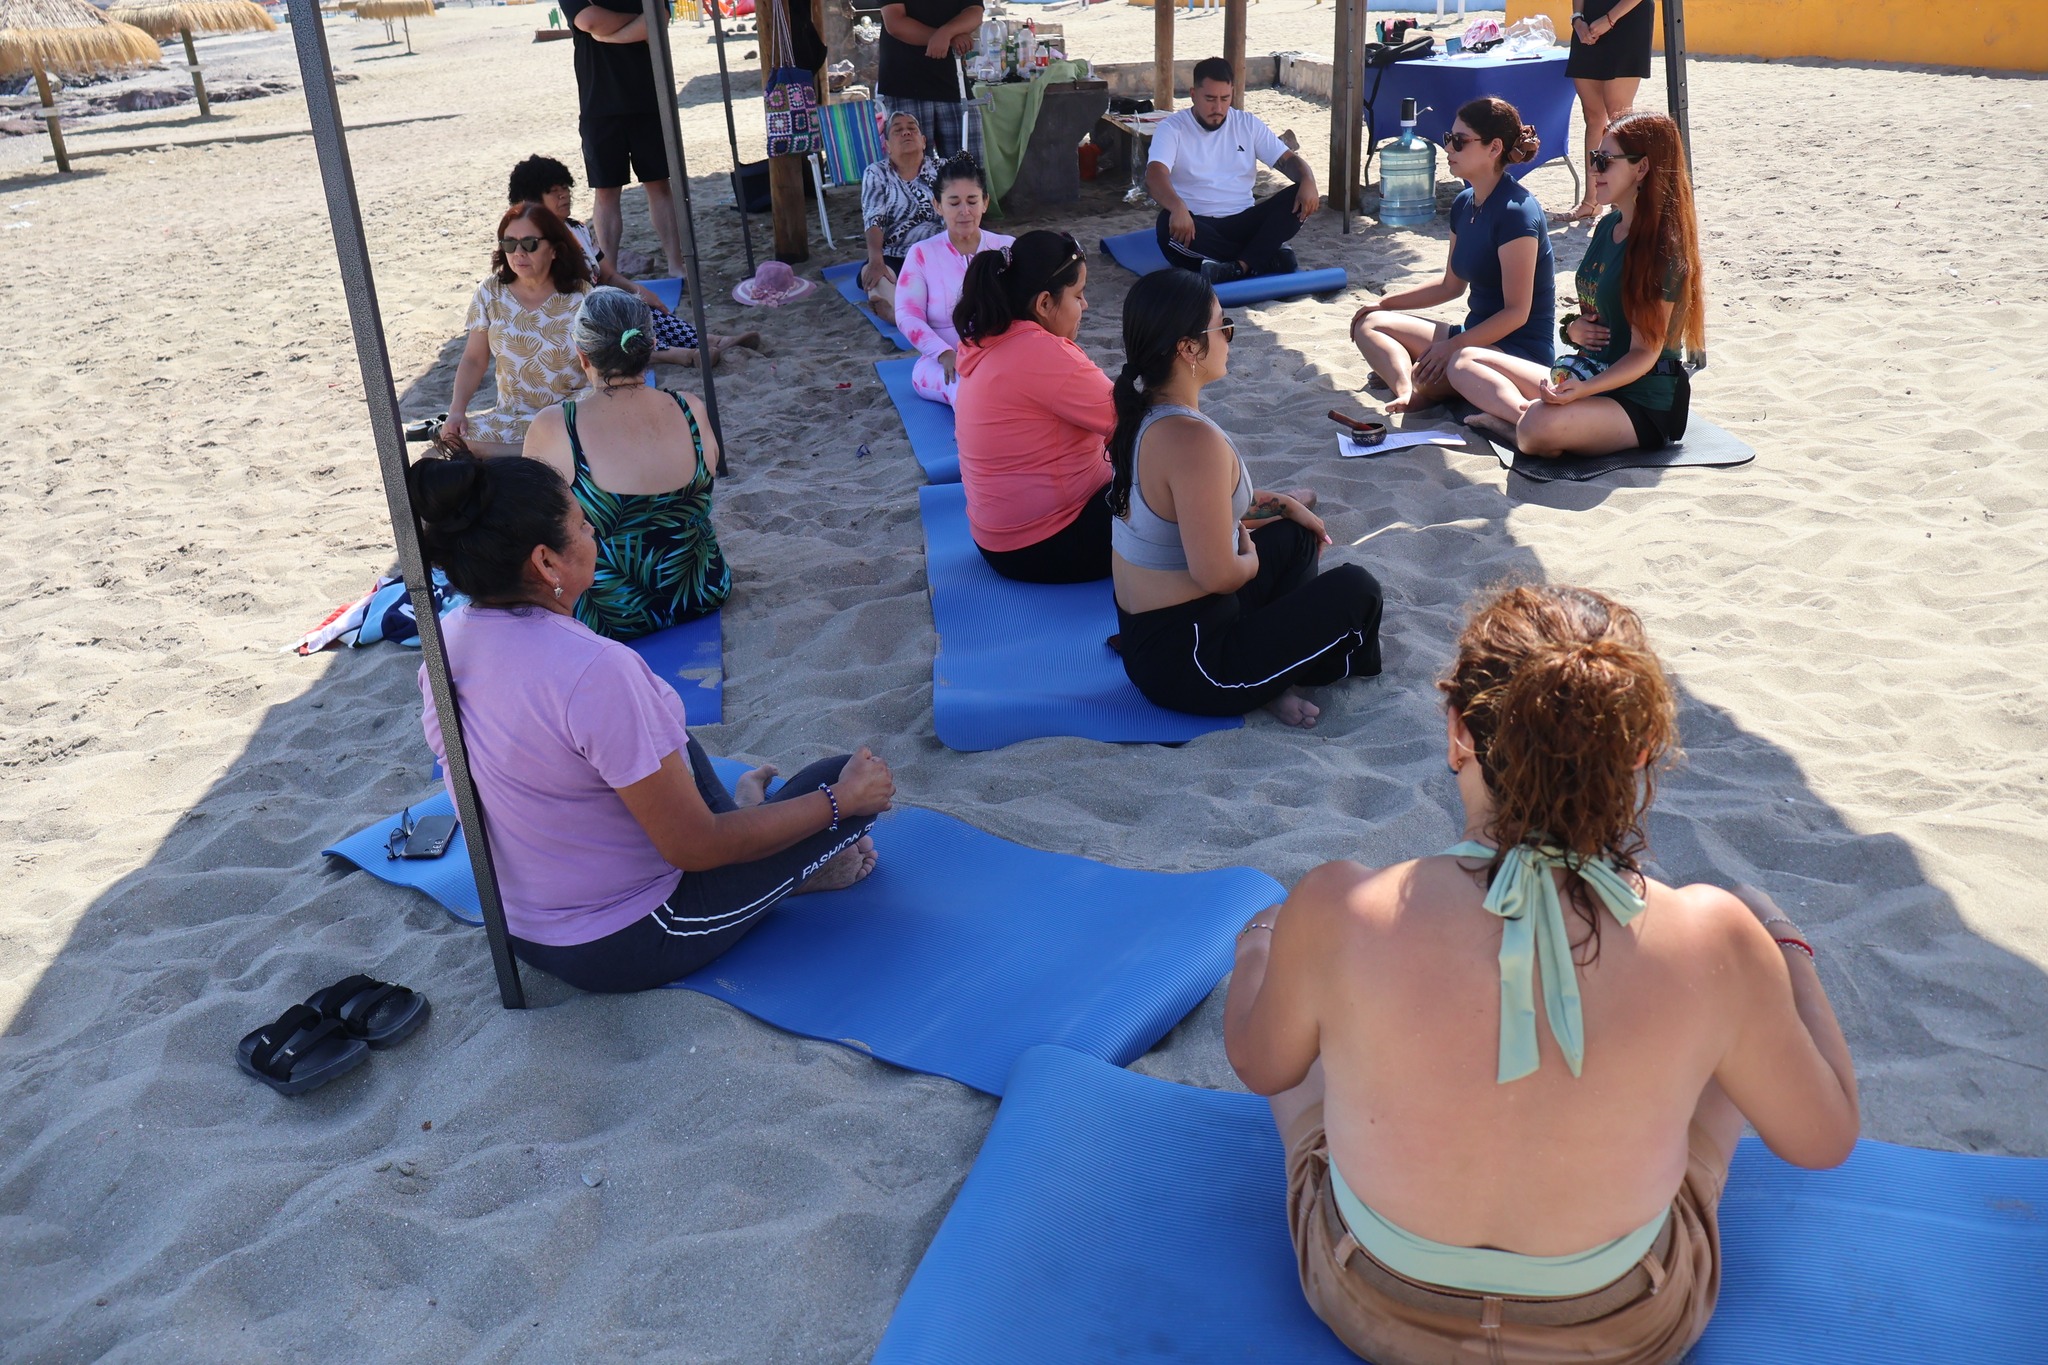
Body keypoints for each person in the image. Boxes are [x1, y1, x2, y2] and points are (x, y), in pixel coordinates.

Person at [1223, 583, 1858, 1364]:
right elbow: (1824, 1138)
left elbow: (1260, 1063)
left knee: (1312, 1036)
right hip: (1619, 1325)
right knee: (1723, 1030)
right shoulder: (1713, 938)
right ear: (1638, 752)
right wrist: (1782, 950)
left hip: (1378, 1303)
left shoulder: (1341, 907)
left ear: (1458, 732)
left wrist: (1264, 938)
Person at [409, 449, 894, 994]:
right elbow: (695, 848)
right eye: (584, 526)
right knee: (844, 781)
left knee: (660, 720)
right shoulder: (594, 670)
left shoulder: (445, 640)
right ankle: (780, 870)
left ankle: (763, 846)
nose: (595, 537)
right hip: (628, 939)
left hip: (516, 924)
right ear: (547, 563)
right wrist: (840, 804)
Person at [1109, 270, 1382, 729]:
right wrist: (1251, 561)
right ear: (1189, 348)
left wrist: (1282, 505)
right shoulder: (1191, 441)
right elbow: (1217, 573)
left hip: (1164, 638)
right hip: (1194, 664)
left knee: (1294, 535)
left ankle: (1271, 675)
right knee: (1359, 591)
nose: (1230, 337)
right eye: (1223, 326)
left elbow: (1194, 511)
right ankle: (1276, 682)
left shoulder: (1144, 413)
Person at [1460, 112, 1705, 459]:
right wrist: (1572, 329)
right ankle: (1526, 416)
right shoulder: (1609, 228)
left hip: (1639, 400)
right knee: (1464, 359)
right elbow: (1595, 313)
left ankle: (1522, 423)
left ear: (1641, 168)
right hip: (1589, 375)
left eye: (1604, 161)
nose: (1594, 170)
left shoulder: (1661, 250)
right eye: (1593, 159)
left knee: (1537, 428)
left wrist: (1584, 390)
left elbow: (1644, 354)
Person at [523, 287, 732, 640]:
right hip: (703, 591)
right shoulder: (690, 407)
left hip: (612, 615)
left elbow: (530, 525)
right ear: (650, 347)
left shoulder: (556, 426)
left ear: (583, 355)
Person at [1351, 98, 1555, 415]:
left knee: (1441, 371)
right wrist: (1383, 303)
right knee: (1370, 323)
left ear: (1494, 148)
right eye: (1449, 139)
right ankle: (1409, 392)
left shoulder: (1517, 212)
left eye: (1459, 141)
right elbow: (1450, 286)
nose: (1448, 149)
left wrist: (1453, 347)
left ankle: (1421, 387)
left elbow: (1517, 313)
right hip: (1471, 338)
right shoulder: (1464, 203)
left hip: (1516, 350)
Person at [952, 230, 1112, 584]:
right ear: (1043, 304)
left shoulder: (989, 337)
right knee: (1176, 490)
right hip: (1047, 543)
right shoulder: (1043, 353)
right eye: (1078, 295)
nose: (1084, 306)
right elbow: (1137, 422)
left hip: (997, 544)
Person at [506, 154, 760, 369]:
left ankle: (709, 341)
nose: (564, 196)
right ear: (532, 200)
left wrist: (640, 292)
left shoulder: (578, 229)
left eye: (566, 189)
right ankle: (675, 355)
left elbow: (608, 275)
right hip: (565, 317)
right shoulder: (531, 240)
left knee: (642, 309)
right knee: (616, 328)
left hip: (597, 302)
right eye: (554, 192)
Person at [1144, 56, 1321, 285]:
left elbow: (1287, 160)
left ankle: (1238, 267)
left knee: (1297, 195)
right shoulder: (1172, 128)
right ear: (1193, 94)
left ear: (1232, 94)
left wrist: (1308, 179)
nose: (1217, 108)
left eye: (1224, 99)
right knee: (1165, 225)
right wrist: (1178, 207)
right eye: (1209, 99)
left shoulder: (1246, 123)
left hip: (1243, 221)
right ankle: (1263, 256)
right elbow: (1155, 175)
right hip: (1196, 224)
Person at [443, 203, 593, 456]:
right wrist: (456, 411)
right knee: (449, 441)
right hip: (512, 416)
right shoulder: (490, 292)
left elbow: (598, 365)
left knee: (577, 434)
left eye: (530, 243)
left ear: (555, 250)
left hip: (569, 412)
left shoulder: (581, 295)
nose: (519, 253)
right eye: (510, 244)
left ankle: (522, 453)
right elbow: (473, 359)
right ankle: (531, 453)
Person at [560, 0, 686, 278]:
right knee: (606, 192)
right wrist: (636, 21)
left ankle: (676, 264)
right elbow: (589, 21)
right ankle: (609, 272)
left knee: (659, 186)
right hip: (599, 105)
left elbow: (659, 18)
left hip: (649, 99)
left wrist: (611, 34)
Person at [895, 154, 1013, 407]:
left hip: (1003, 354)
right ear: (938, 205)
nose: (964, 211)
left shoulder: (1007, 248)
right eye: (954, 202)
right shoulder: (922, 254)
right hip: (943, 362)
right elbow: (908, 316)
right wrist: (943, 353)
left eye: (972, 201)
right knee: (968, 390)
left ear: (985, 203)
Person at [1558, 0, 1655, 224]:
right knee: (1593, 118)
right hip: (1588, 24)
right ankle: (1591, 202)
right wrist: (1577, 19)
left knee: (1618, 118)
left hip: (1627, 19)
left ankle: (1622, 200)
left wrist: (1610, 19)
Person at [859, 111, 944, 326]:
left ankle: (914, 313)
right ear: (887, 145)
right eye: (897, 130)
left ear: (924, 141)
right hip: (896, 255)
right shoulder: (876, 173)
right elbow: (873, 217)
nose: (906, 132)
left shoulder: (943, 169)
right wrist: (876, 259)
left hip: (939, 252)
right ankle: (898, 314)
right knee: (874, 274)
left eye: (912, 129)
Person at [875, 0, 984, 163]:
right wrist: (945, 37)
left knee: (968, 170)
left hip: (954, 83)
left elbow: (974, 11)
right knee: (911, 171)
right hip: (905, 84)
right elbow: (895, 22)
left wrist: (947, 33)